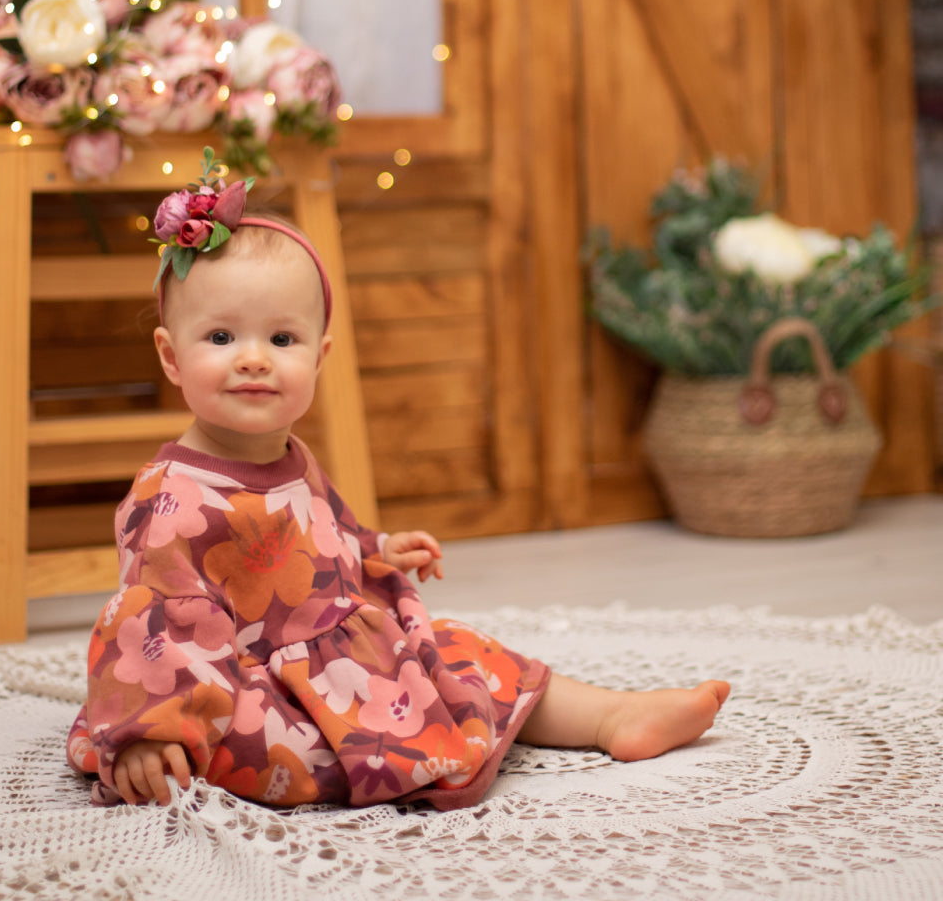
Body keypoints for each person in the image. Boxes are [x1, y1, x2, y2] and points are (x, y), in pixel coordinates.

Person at [66, 150, 729, 811]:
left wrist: (376, 548)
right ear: (170, 355)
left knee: (463, 654)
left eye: (282, 340)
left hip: (345, 659)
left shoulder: (293, 454)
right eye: (219, 336)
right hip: (244, 689)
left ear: (320, 356)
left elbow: (327, 532)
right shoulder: (170, 500)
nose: (252, 359)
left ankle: (613, 716)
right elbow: (147, 621)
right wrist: (153, 730)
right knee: (263, 748)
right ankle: (187, 744)